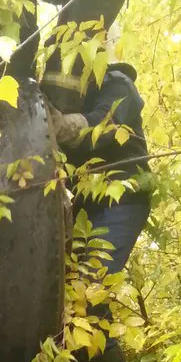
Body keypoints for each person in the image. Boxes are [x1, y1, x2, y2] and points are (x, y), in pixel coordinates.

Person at [48, 62, 151, 274]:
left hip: (123, 200)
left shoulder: (117, 82)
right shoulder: (68, 99)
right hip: (86, 204)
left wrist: (61, 126)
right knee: (71, 279)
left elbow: (106, 124)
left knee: (95, 279)